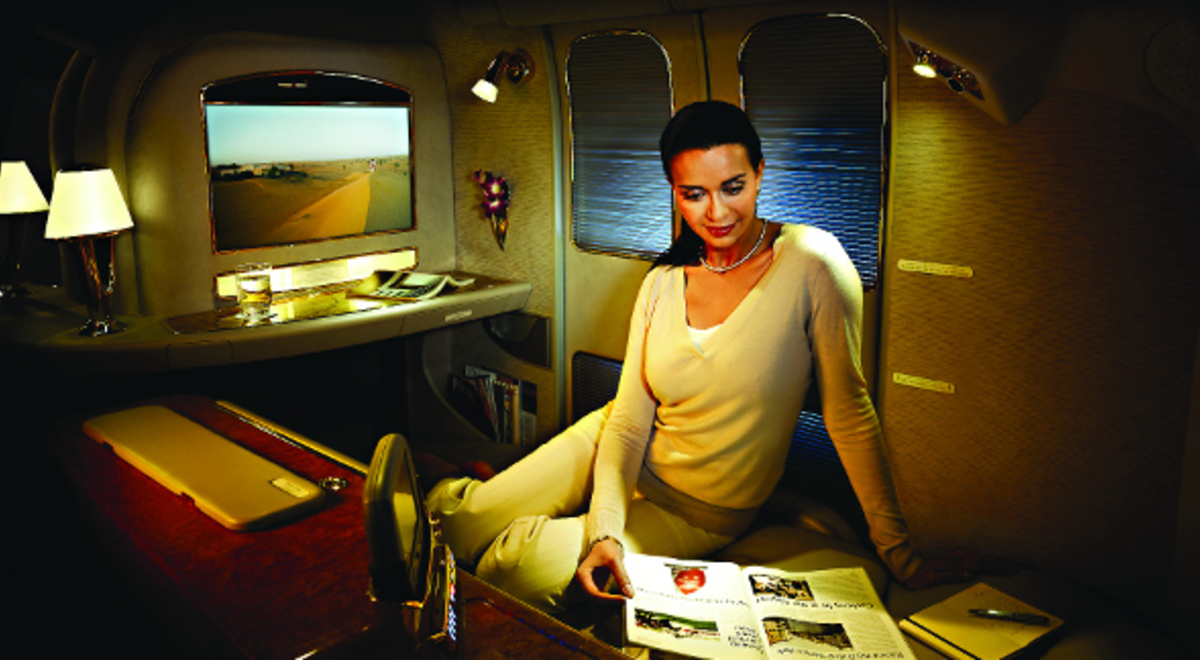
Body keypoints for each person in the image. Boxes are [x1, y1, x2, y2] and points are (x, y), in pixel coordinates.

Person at [425, 100, 1000, 613]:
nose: (716, 214)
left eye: (733, 186)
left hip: (696, 510)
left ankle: (502, 499)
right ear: (674, 191)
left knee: (509, 569)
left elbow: (848, 414)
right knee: (454, 526)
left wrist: (898, 555)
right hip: (611, 447)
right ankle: (467, 492)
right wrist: (605, 526)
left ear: (759, 175)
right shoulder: (663, 281)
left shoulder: (813, 264)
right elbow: (626, 421)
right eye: (693, 194)